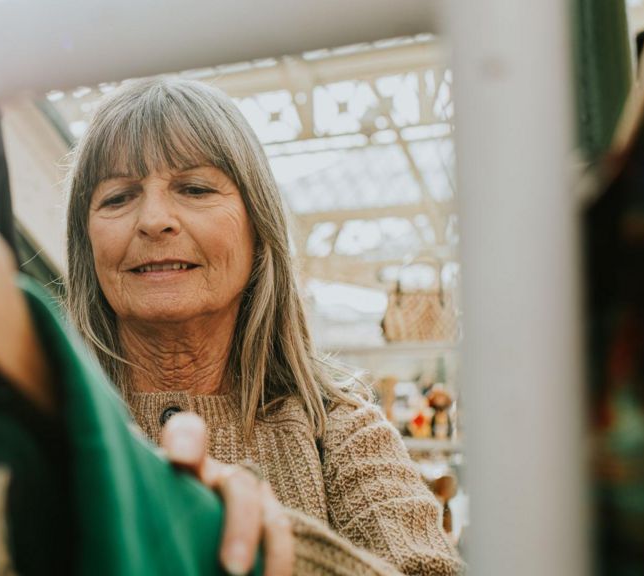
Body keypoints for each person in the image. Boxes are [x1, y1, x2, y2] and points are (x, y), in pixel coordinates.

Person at [65, 77, 464, 575]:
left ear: (259, 229)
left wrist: (259, 546)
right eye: (119, 197)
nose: (153, 219)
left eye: (194, 188)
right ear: (87, 245)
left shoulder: (338, 428)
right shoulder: (47, 419)